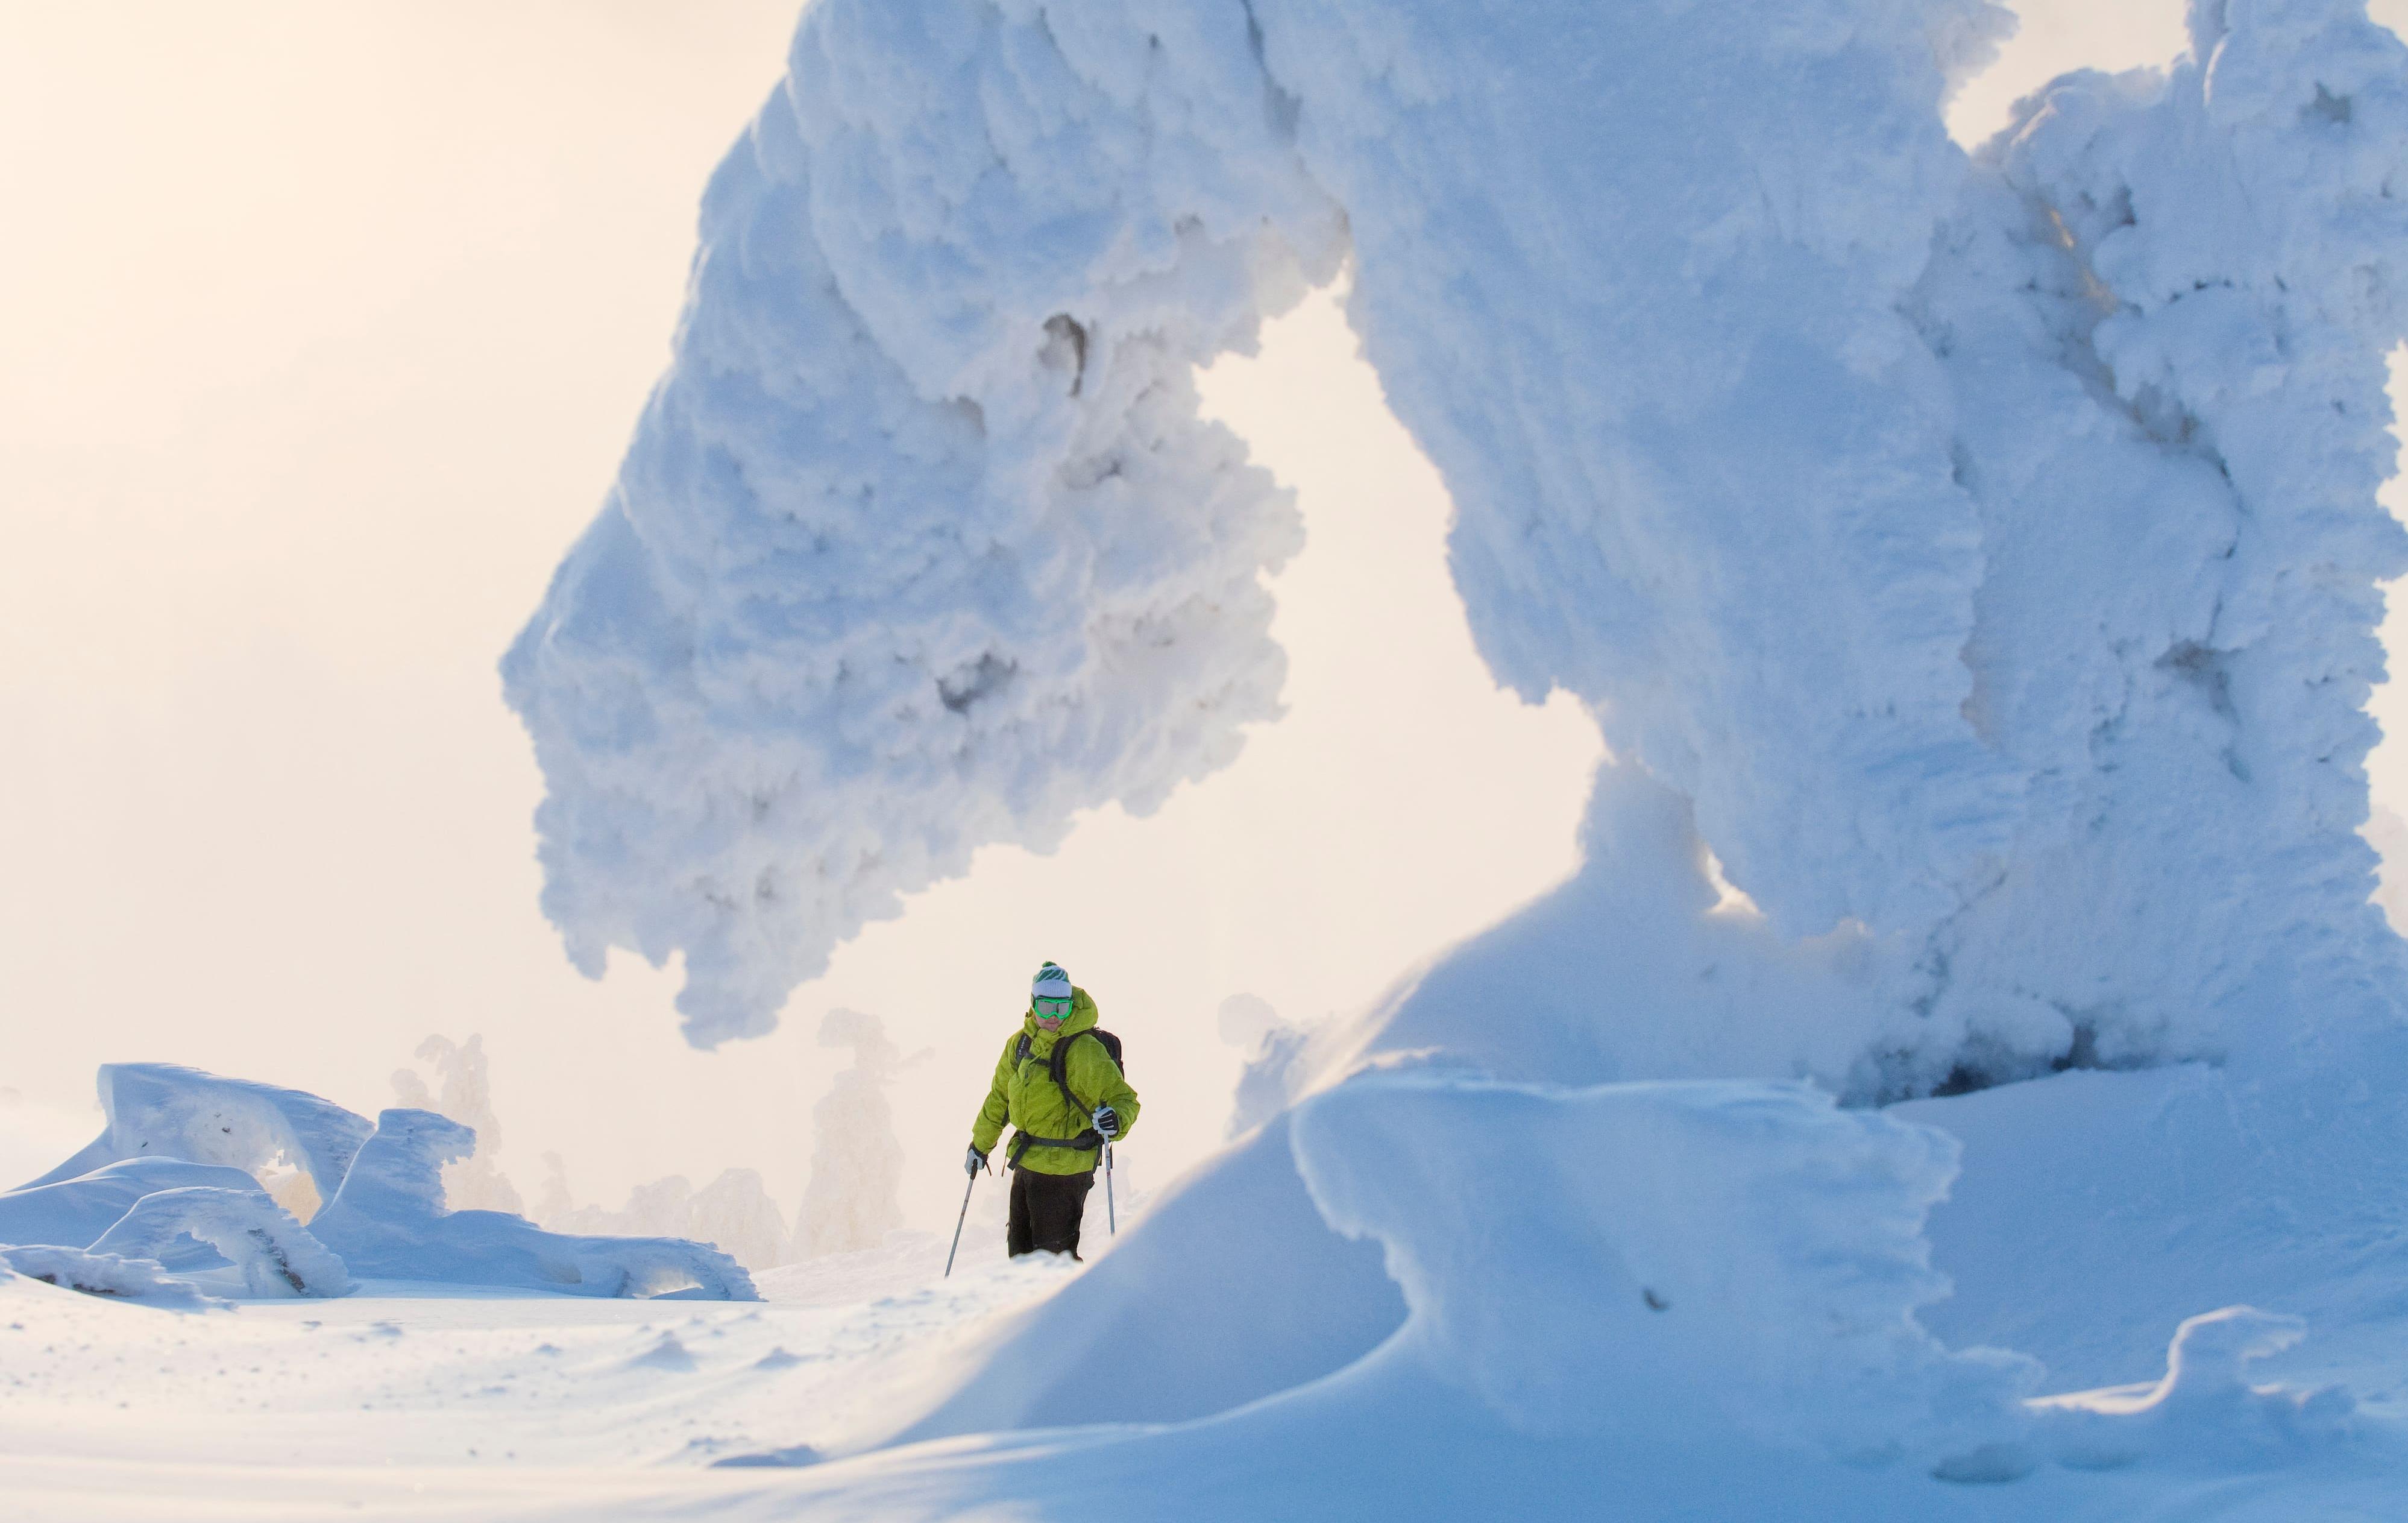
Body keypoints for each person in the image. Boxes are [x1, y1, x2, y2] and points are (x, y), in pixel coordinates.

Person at [966, 961, 1139, 1259]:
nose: (1054, 1017)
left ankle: (1080, 1292)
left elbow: (1124, 1100)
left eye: (1062, 1008)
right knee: (1021, 1259)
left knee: (1053, 1263)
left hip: (1066, 1170)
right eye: (1046, 1007)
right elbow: (999, 1098)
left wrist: (1115, 1120)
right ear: (1033, 1004)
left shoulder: (1083, 1049)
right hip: (1027, 1163)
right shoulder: (1021, 1045)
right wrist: (980, 1146)